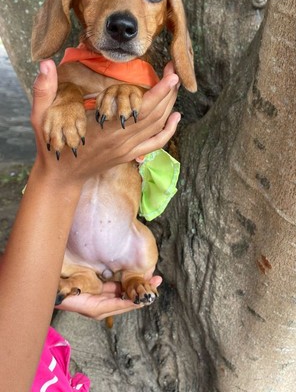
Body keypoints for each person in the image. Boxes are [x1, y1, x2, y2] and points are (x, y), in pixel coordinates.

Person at [0, 59, 181, 391]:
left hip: (32, 336)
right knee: (91, 264)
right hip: (28, 355)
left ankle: (116, 276)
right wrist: (55, 177)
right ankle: (100, 277)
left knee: (138, 246)